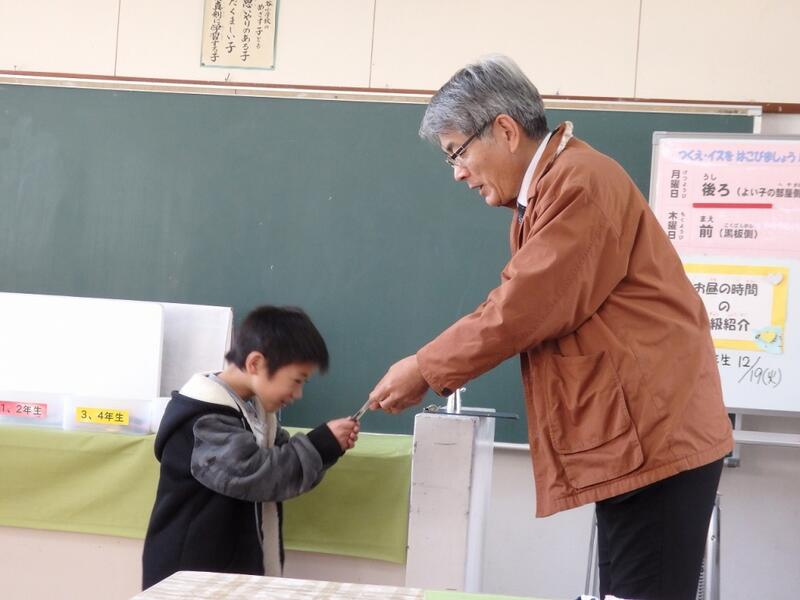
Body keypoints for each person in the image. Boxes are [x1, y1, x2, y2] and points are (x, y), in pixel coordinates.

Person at [367, 55, 733, 600]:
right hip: (643, 438)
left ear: (505, 130)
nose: (458, 173)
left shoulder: (579, 183)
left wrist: (424, 368)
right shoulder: (553, 185)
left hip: (657, 438)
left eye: (458, 152)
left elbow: (522, 308)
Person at [142, 305, 359, 589]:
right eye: (296, 380)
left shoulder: (254, 411)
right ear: (255, 363)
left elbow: (284, 473)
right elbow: (256, 475)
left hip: (225, 573)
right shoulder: (203, 419)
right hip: (189, 577)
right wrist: (322, 445)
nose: (298, 394)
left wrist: (328, 448)